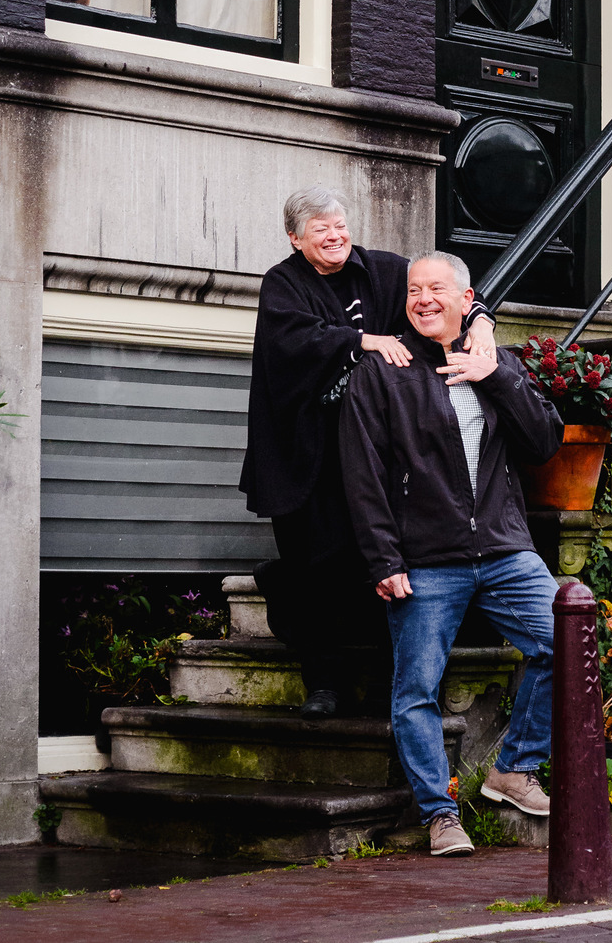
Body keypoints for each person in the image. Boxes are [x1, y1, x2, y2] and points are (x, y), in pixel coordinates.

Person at [239, 189, 497, 717]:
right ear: (295, 238)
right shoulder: (282, 284)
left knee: (384, 567)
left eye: (339, 224)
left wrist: (483, 323)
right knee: (313, 573)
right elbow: (293, 345)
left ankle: (387, 682)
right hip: (306, 457)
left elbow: (444, 291)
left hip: (380, 451)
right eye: (320, 230)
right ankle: (325, 685)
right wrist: (364, 340)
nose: (335, 236)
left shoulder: (385, 270)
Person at [339, 250, 563, 857]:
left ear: (468, 303)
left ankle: (514, 769)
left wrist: (495, 374)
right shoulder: (382, 372)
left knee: (568, 642)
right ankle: (441, 814)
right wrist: (384, 559)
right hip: (425, 558)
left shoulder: (496, 361)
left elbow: (545, 441)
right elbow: (363, 475)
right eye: (415, 289)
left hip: (503, 548)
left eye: (438, 288)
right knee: (417, 688)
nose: (423, 299)